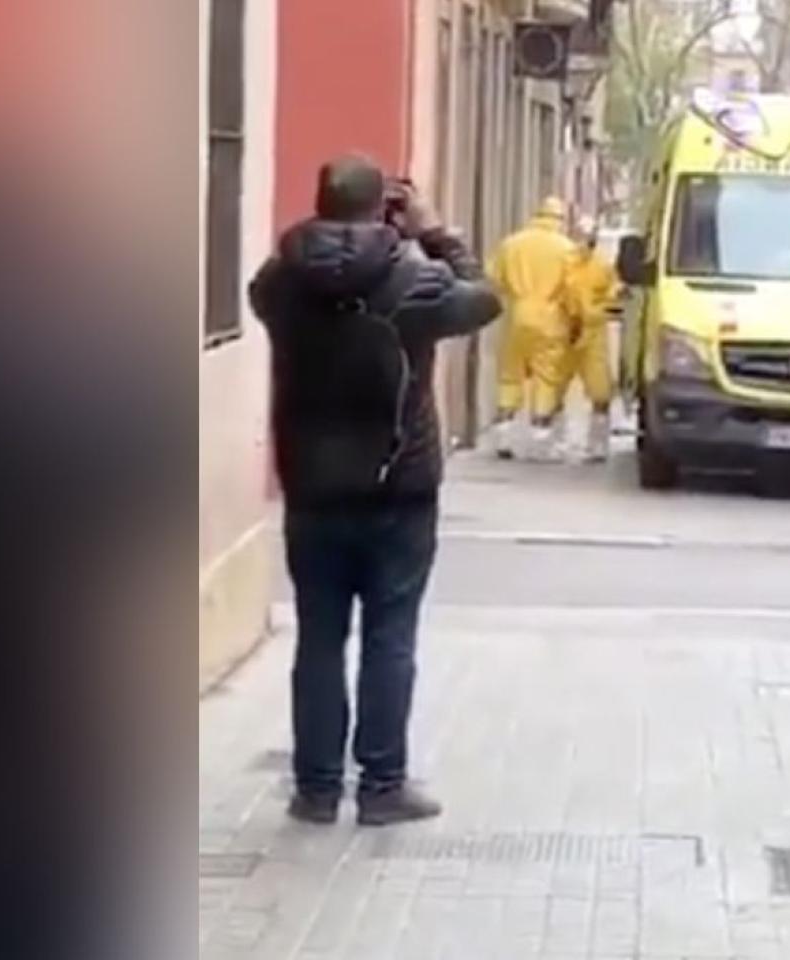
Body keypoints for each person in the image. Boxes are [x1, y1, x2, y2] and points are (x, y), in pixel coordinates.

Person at [247, 154, 501, 825]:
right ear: (381, 205)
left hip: (311, 487)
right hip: (400, 486)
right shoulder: (414, 278)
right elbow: (485, 298)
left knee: (319, 638)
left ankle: (316, 789)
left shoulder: (278, 283)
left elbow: (268, 290)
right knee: (391, 636)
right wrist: (435, 232)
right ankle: (383, 786)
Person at [488, 196, 578, 460]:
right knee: (546, 378)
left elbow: (494, 277)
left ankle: (502, 435)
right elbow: (573, 289)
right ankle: (540, 439)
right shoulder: (567, 249)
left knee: (510, 374)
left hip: (517, 314)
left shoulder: (511, 244)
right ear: (560, 219)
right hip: (551, 318)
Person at [562, 217, 622, 462]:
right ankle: (556, 439)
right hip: (566, 330)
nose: (586, 241)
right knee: (554, 387)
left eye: (590, 236)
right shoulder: (565, 263)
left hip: (593, 334)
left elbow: (615, 293)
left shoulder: (603, 266)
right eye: (582, 236)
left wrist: (601, 309)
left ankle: (598, 444)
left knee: (600, 390)